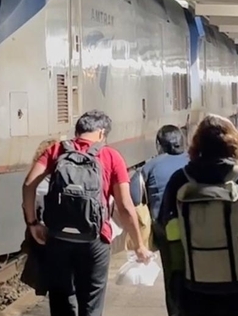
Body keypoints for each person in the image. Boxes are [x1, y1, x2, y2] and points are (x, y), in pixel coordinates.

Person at [23, 111, 151, 316]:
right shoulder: (111, 156)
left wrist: (33, 223)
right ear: (101, 133)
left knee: (61, 300)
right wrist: (139, 244)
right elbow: (125, 206)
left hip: (58, 236)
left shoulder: (55, 150)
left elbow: (29, 185)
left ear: (77, 131)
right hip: (95, 239)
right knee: (91, 301)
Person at [158, 115, 238, 316]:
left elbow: (165, 225)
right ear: (233, 142)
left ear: (196, 144)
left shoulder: (179, 180)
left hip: (192, 284)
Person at [130, 125, 191, 316]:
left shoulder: (149, 166)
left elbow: (134, 197)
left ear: (159, 144)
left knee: (172, 276)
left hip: (165, 230)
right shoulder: (194, 161)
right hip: (196, 227)